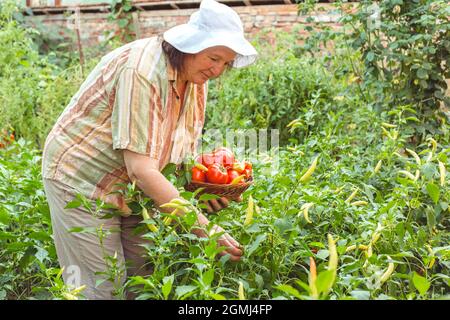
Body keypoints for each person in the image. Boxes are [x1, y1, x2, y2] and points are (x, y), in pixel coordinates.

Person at [41, 0, 258, 300]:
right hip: (83, 181)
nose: (218, 69)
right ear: (190, 46)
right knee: (101, 288)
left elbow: (173, 150)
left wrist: (200, 194)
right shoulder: (142, 70)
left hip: (133, 191)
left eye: (226, 63)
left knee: (142, 282)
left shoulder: (195, 77)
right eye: (214, 57)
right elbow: (141, 170)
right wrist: (204, 228)